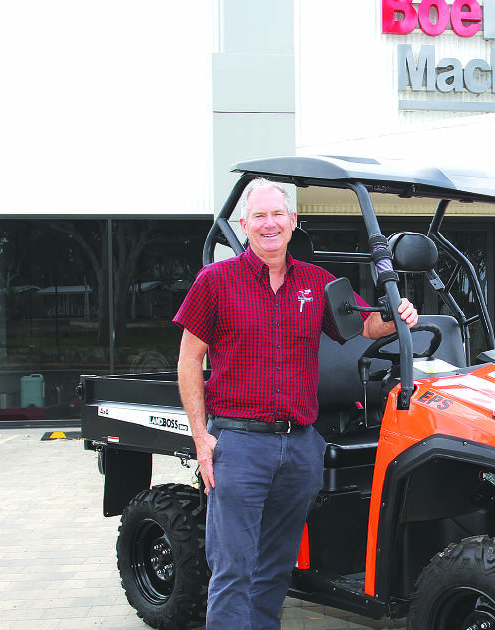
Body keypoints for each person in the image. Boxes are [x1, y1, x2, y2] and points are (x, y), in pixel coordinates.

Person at [174, 178, 418, 630]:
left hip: (301, 446)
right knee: (233, 570)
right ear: (244, 224)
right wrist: (201, 437)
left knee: (274, 570)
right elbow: (189, 360)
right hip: (240, 444)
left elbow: (363, 326)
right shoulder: (216, 280)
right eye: (260, 216)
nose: (270, 224)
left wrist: (398, 314)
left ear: (293, 222)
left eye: (278, 215)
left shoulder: (315, 281)